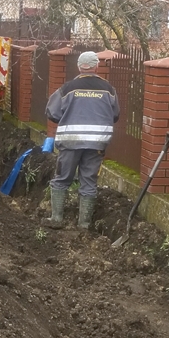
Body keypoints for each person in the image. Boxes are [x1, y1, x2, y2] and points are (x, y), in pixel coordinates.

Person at [44, 51, 120, 230]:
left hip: (71, 142)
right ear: (97, 66)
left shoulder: (67, 88)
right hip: (96, 144)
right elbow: (115, 115)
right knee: (89, 181)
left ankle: (56, 219)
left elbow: (52, 112)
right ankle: (84, 224)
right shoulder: (109, 90)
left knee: (62, 178)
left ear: (79, 66)